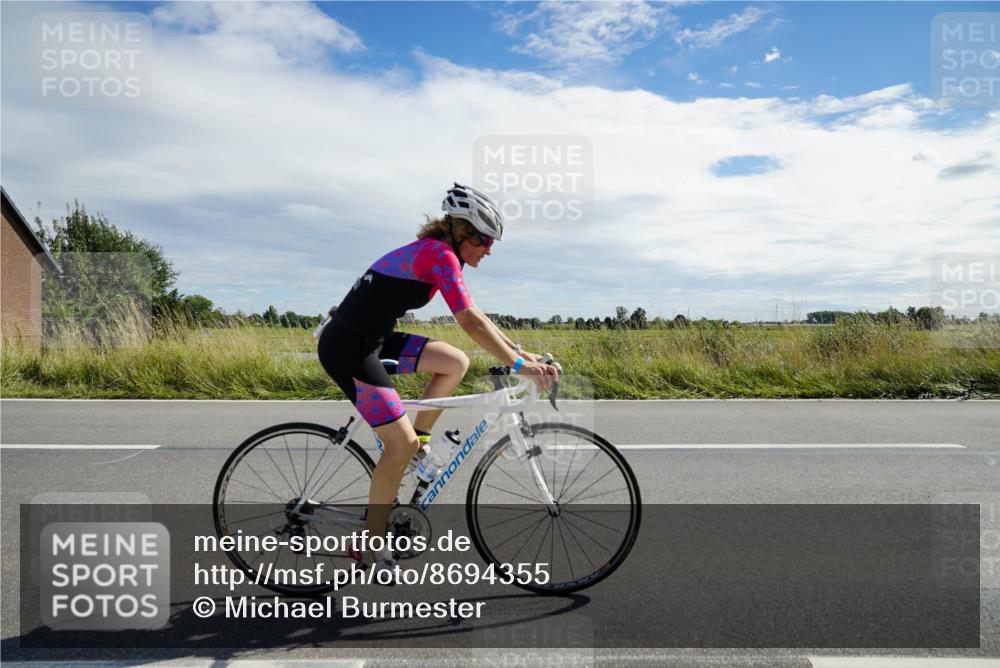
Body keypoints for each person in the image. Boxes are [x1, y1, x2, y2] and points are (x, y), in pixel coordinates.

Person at [316, 183, 558, 577]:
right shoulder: (439, 255)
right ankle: (372, 544)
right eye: (483, 240)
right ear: (461, 231)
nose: (488, 250)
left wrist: (521, 354)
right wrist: (518, 365)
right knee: (399, 445)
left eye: (491, 242)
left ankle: (419, 444)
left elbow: (476, 314)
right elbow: (469, 322)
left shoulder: (442, 254)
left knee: (454, 362)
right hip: (348, 347)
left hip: (371, 338)